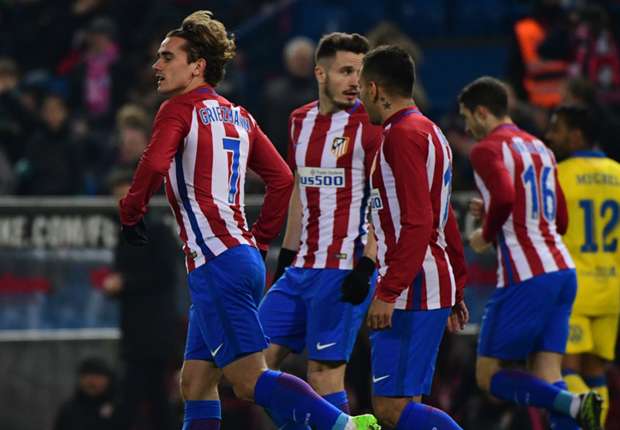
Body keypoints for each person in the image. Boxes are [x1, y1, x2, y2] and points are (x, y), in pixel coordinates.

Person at [118, 10, 380, 430]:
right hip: (238, 257)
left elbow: (153, 163)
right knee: (196, 381)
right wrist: (258, 242)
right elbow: (282, 179)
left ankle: (346, 426)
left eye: (167, 57)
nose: (157, 65)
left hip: (216, 264)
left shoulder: (177, 109)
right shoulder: (239, 115)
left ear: (197, 66)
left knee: (248, 380)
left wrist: (131, 212)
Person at [459, 76, 602, 430]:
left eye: (467, 117)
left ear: (482, 112)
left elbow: (506, 197)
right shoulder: (541, 148)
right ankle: (572, 405)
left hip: (526, 276)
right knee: (547, 373)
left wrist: (484, 235)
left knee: (489, 375)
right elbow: (560, 219)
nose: (466, 128)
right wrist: (496, 211)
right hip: (562, 271)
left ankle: (573, 401)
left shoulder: (486, 149)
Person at [258, 32, 382, 429]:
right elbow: (300, 187)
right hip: (300, 269)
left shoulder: (369, 124)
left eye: (360, 73)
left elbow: (383, 198)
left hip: (344, 267)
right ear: (320, 73)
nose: (354, 82)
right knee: (250, 367)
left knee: (323, 374)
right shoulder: (300, 120)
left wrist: (368, 264)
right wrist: (285, 257)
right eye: (346, 71)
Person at [358, 45, 468, 430]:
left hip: (412, 287)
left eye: (361, 88)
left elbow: (420, 221)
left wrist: (388, 291)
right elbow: (445, 218)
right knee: (407, 406)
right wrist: (456, 283)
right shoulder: (432, 132)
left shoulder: (401, 136)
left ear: (375, 89)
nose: (359, 97)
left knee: (390, 409)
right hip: (429, 281)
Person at [545, 105, 620, 427]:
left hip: (574, 290)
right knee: (596, 372)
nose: (550, 136)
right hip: (611, 289)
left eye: (557, 129)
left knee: (566, 370)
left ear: (576, 135)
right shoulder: (618, 173)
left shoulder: (559, 175)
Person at [103, 168, 180, 430]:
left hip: (154, 331)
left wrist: (124, 283)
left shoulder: (157, 231)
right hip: (135, 329)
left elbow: (165, 275)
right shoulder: (124, 234)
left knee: (142, 397)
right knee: (150, 398)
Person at [53, 357, 116, 430]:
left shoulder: (117, 407)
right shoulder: (70, 410)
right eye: (87, 377)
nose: (92, 382)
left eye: (97, 377)